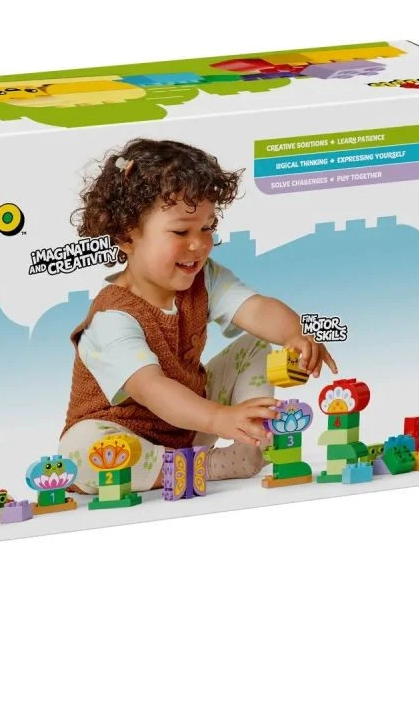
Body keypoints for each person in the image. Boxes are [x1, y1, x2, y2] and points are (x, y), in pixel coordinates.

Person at [60, 138, 336, 493]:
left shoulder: (204, 278)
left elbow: (255, 308)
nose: (199, 244)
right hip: (121, 439)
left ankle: (252, 436)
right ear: (127, 236)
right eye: (181, 231)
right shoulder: (111, 318)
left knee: (254, 345)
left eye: (207, 228)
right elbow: (152, 389)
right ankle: (207, 465)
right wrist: (218, 418)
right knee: (79, 451)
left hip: (189, 423)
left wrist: (293, 335)